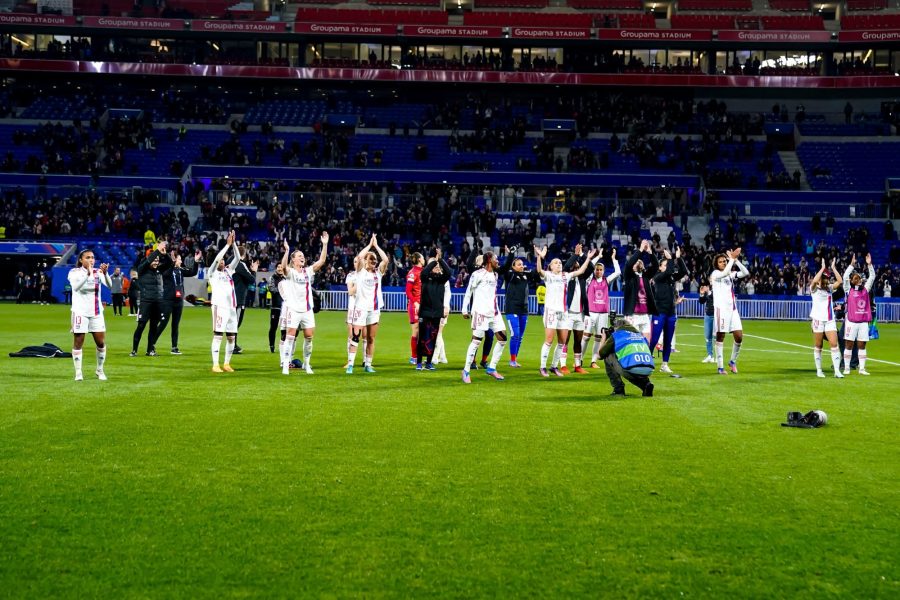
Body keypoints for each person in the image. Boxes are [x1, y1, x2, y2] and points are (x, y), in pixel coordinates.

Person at [533, 244, 598, 377]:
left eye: (559, 263)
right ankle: (542, 367)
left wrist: (588, 258)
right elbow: (539, 270)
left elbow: (580, 272)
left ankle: (554, 366)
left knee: (562, 342)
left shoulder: (565, 276)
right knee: (549, 340)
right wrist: (539, 257)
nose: (559, 264)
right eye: (555, 263)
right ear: (550, 266)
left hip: (563, 313)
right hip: (551, 311)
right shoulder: (548, 275)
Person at [280, 232, 329, 375]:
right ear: (293, 260)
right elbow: (283, 268)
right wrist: (287, 251)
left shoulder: (307, 271)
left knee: (309, 337)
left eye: (303, 256)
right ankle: (285, 364)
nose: (302, 258)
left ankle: (307, 364)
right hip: (294, 309)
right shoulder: (290, 273)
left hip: (307, 310)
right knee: (290, 337)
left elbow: (321, 262)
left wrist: (325, 244)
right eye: (299, 256)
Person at [461, 250, 510, 383]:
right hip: (480, 312)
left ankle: (492, 368)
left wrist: (510, 254)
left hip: (494, 312)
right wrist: (464, 309)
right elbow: (469, 291)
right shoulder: (477, 274)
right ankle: (466, 370)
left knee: (503, 339)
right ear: (489, 260)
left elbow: (505, 267)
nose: (498, 261)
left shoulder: (495, 274)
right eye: (496, 259)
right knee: (476, 341)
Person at [347, 234, 389, 374]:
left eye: (375, 260)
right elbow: (359, 257)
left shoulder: (378, 273)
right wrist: (369, 246)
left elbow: (386, 259)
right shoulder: (360, 272)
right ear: (365, 261)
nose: (374, 261)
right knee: (355, 336)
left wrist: (376, 246)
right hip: (361, 307)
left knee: (371, 338)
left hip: (374, 309)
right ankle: (351, 364)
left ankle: (368, 364)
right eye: (371, 259)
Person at [67, 249, 112, 381]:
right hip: (80, 313)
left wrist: (106, 273)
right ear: (81, 260)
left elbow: (109, 286)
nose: (91, 260)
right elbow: (76, 287)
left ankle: (100, 370)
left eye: (92, 257)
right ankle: (78, 372)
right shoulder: (74, 272)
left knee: (101, 343)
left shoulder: (98, 272)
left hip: (96, 313)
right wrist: (87, 275)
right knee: (78, 342)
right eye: (87, 257)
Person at [710, 247, 750, 375]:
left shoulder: (730, 275)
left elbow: (745, 272)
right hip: (721, 310)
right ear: (716, 264)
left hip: (732, 310)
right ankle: (720, 367)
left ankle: (732, 361)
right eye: (721, 262)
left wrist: (736, 260)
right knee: (720, 336)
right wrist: (731, 259)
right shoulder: (715, 274)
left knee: (739, 336)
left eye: (724, 261)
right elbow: (724, 272)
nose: (723, 263)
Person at [497, 246, 539, 368]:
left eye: (522, 264)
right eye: (519, 264)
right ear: (513, 267)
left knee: (520, 336)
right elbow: (506, 267)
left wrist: (539, 257)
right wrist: (511, 254)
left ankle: (515, 358)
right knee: (515, 334)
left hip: (524, 310)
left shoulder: (526, 275)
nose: (522, 266)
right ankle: (512, 360)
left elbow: (537, 272)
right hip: (512, 309)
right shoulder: (509, 275)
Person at [155, 248, 202, 355]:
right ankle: (152, 344)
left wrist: (196, 261)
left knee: (175, 325)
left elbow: (193, 272)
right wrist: (171, 263)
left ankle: (174, 347)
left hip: (178, 301)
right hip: (168, 300)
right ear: (174, 260)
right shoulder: (166, 269)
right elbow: (166, 273)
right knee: (163, 323)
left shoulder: (180, 270)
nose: (181, 261)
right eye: (179, 259)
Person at [649, 247, 687, 374]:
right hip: (659, 311)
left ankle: (664, 364)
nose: (668, 267)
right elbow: (669, 270)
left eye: (667, 264)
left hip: (671, 312)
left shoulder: (670, 278)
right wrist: (670, 259)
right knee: (654, 339)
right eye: (665, 265)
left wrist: (678, 258)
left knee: (668, 340)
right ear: (660, 267)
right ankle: (646, 361)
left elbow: (683, 271)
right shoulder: (658, 276)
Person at [131, 240, 172, 357]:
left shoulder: (160, 270)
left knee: (153, 327)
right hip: (146, 302)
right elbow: (149, 259)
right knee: (141, 326)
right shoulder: (142, 269)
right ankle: (134, 350)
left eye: (157, 261)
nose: (155, 262)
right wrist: (157, 251)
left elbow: (170, 263)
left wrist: (165, 254)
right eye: (154, 260)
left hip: (158, 302)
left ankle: (150, 350)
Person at [598, 316, 655, 397]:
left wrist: (603, 338)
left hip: (632, 368)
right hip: (648, 369)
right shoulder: (641, 336)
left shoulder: (617, 335)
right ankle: (646, 384)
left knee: (608, 356)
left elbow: (600, 355)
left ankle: (618, 390)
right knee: (632, 367)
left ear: (617, 327)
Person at [584, 247, 621, 368]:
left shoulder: (606, 280)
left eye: (600, 270)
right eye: (597, 269)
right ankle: (579, 359)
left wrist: (613, 259)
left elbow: (618, 272)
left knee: (599, 338)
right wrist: (598, 257)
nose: (598, 271)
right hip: (590, 312)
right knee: (586, 336)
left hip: (603, 313)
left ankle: (593, 361)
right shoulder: (589, 280)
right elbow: (589, 265)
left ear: (604, 271)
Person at [209, 231, 240, 373]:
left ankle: (227, 363)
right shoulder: (212, 272)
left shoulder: (228, 271)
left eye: (223, 260)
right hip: (219, 307)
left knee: (231, 337)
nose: (222, 261)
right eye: (220, 260)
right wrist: (226, 246)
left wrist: (233, 243)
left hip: (231, 307)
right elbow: (217, 259)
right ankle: (215, 364)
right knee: (218, 335)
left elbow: (238, 258)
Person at [416, 248, 451, 370]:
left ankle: (429, 362)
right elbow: (424, 271)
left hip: (436, 313)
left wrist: (440, 260)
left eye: (438, 267)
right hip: (425, 311)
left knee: (433, 337)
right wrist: (433, 262)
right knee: (422, 337)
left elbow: (449, 272)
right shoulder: (425, 277)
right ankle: (419, 362)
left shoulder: (441, 280)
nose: (437, 268)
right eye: (435, 267)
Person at [810, 257, 844, 378]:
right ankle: (819, 370)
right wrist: (822, 268)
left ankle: (837, 371)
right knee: (819, 345)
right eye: (824, 278)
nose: (826, 280)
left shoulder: (829, 288)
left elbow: (840, 281)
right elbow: (814, 281)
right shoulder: (814, 289)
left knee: (834, 344)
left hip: (830, 319)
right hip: (818, 320)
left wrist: (833, 268)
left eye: (827, 278)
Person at [842, 253, 875, 375]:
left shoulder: (866, 289)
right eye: (856, 278)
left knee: (862, 344)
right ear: (851, 281)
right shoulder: (847, 290)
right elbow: (845, 276)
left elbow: (872, 276)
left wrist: (869, 264)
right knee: (849, 344)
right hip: (851, 321)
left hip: (863, 322)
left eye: (859, 278)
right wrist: (851, 265)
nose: (859, 280)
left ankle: (862, 369)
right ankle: (846, 368)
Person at [622, 239, 659, 342]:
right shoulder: (629, 276)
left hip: (645, 314)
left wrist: (650, 252)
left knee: (647, 341)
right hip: (633, 314)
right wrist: (641, 250)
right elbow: (629, 264)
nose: (638, 263)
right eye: (636, 262)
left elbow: (656, 266)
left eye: (640, 262)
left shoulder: (646, 277)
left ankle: (645, 356)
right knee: (632, 341)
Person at [231, 245, 258, 354]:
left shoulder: (230, 261)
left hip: (231, 297)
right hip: (239, 298)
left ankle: (233, 345)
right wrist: (254, 271)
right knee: (236, 323)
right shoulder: (241, 264)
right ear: (244, 254)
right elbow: (252, 279)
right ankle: (232, 346)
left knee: (233, 322)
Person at [406, 252, 425, 365]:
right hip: (415, 306)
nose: (424, 259)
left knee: (423, 331)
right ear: (418, 259)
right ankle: (414, 357)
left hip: (423, 305)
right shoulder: (412, 273)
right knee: (416, 331)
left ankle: (420, 356)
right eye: (422, 257)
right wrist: (416, 303)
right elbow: (408, 291)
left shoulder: (423, 271)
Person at [268, 262, 286, 355]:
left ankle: (284, 347)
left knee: (285, 328)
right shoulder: (272, 278)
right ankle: (272, 346)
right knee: (273, 327)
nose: (279, 268)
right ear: (276, 268)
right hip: (276, 306)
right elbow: (271, 289)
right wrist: (282, 289)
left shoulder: (286, 278)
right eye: (278, 267)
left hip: (286, 307)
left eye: (281, 267)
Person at [697, 283, 715, 363]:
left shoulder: (716, 291)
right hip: (708, 315)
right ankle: (710, 355)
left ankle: (718, 356)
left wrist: (709, 293)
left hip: (716, 316)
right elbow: (701, 302)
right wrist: (701, 293)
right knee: (708, 337)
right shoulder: (706, 294)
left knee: (716, 336)